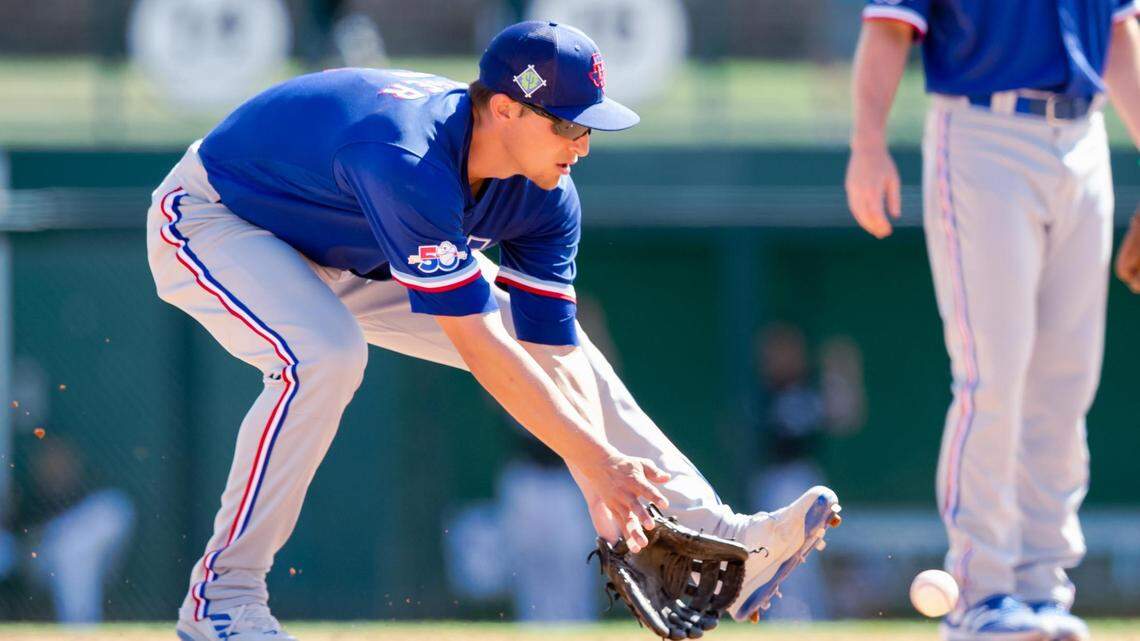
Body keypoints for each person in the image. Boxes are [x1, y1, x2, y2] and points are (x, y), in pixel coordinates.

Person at [149, 21, 841, 641]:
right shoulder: (408, 157)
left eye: (589, 126)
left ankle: (720, 538)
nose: (583, 144)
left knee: (560, 343)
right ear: (505, 109)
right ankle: (223, 598)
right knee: (325, 352)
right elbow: (479, 349)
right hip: (220, 218)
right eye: (568, 125)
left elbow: (552, 353)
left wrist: (597, 468)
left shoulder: (546, 196)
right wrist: (592, 463)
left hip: (351, 245)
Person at [845, 3, 1140, 640]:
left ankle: (1043, 590)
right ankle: (981, 593)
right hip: (984, 132)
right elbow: (889, 26)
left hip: (1085, 139)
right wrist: (868, 143)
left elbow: (1119, 32)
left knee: (1065, 384)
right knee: (993, 375)